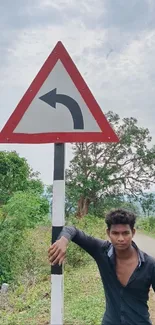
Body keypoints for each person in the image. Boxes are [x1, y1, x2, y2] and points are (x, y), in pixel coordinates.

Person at [48, 208, 155, 325]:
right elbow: (72, 230)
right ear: (108, 233)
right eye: (115, 233)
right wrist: (63, 240)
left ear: (133, 232)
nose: (120, 238)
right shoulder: (101, 251)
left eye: (125, 233)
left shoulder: (149, 264)